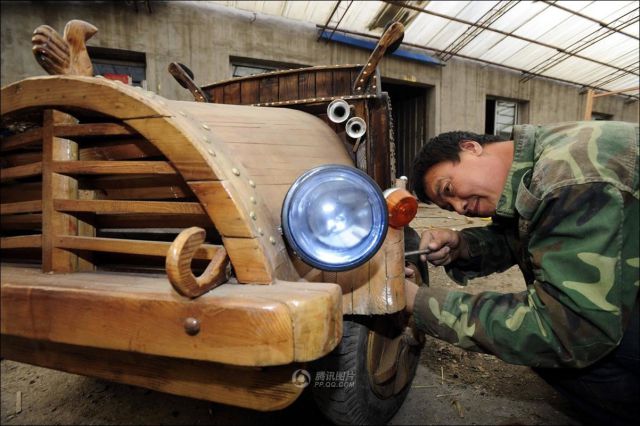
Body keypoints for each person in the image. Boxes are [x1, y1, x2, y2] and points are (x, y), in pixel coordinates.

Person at [404, 122, 639, 425]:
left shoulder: (569, 179)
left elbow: (568, 329)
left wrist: (423, 304)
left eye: (449, 189)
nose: (460, 208)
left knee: (548, 348)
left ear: (470, 148)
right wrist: (462, 245)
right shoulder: (542, 157)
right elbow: (530, 234)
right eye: (449, 207)